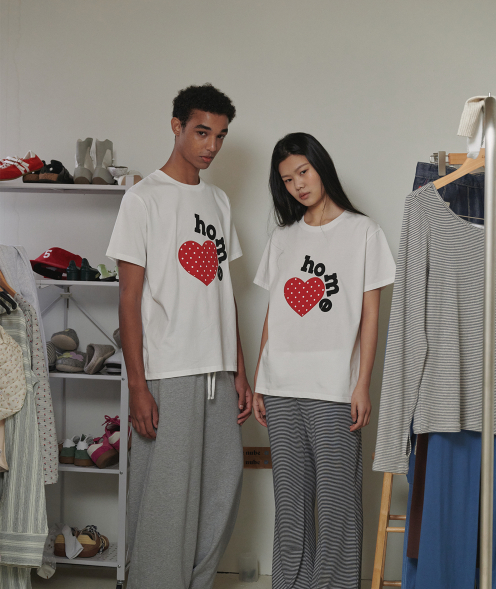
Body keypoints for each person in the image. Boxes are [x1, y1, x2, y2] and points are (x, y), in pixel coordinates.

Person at [106, 83, 253, 589]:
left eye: (220, 136)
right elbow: (129, 299)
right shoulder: (142, 199)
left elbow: (224, 291)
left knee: (221, 491)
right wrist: (137, 386)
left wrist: (239, 369)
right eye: (202, 132)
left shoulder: (219, 201)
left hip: (219, 371)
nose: (212, 145)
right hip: (169, 370)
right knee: (165, 500)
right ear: (177, 126)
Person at [253, 132, 396, 589]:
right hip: (281, 385)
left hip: (334, 388)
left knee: (337, 505)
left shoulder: (364, 232)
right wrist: (259, 379)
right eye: (287, 179)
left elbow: (371, 316)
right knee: (290, 502)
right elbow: (274, 311)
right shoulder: (283, 237)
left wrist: (362, 384)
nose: (298, 185)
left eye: (303, 172)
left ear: (321, 167)